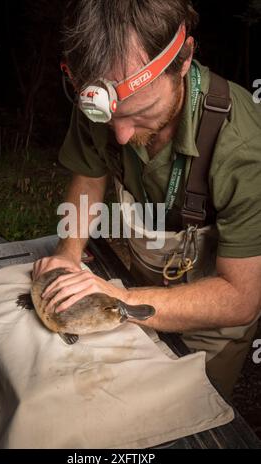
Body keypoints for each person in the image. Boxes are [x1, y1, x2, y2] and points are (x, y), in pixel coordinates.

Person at [33, 0, 261, 397]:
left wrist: (121, 301)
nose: (120, 136)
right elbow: (89, 176)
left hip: (214, 313)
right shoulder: (103, 102)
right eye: (108, 119)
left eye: (142, 114)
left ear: (185, 58)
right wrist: (69, 252)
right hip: (141, 287)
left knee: (184, 412)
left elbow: (241, 298)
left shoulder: (244, 146)